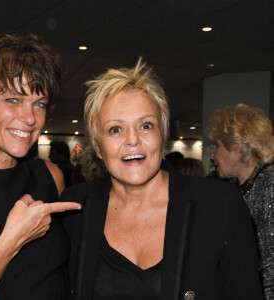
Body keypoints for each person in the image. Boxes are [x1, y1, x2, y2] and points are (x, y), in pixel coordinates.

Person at [61, 60, 264, 299]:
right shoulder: (75, 209)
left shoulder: (218, 205)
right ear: (97, 146)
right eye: (115, 129)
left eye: (146, 125)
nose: (133, 140)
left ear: (162, 135)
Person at [0, 33, 81, 299]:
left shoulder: (49, 175)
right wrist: (13, 239)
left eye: (39, 104)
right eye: (13, 100)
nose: (30, 118)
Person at [207, 103, 274, 299]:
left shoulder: (269, 183)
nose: (212, 155)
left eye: (216, 145)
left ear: (236, 146)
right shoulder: (235, 189)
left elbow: (270, 262)